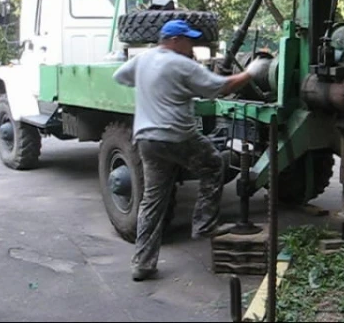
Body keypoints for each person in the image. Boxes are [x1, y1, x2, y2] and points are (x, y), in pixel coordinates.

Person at [113, 19, 266, 282]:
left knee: (153, 200)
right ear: (174, 40)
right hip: (177, 136)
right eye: (188, 40)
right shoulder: (181, 64)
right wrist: (252, 72)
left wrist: (151, 85)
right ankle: (204, 225)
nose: (192, 45)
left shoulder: (143, 59)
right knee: (214, 164)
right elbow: (222, 87)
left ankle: (142, 264)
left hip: (147, 140)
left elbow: (119, 76)